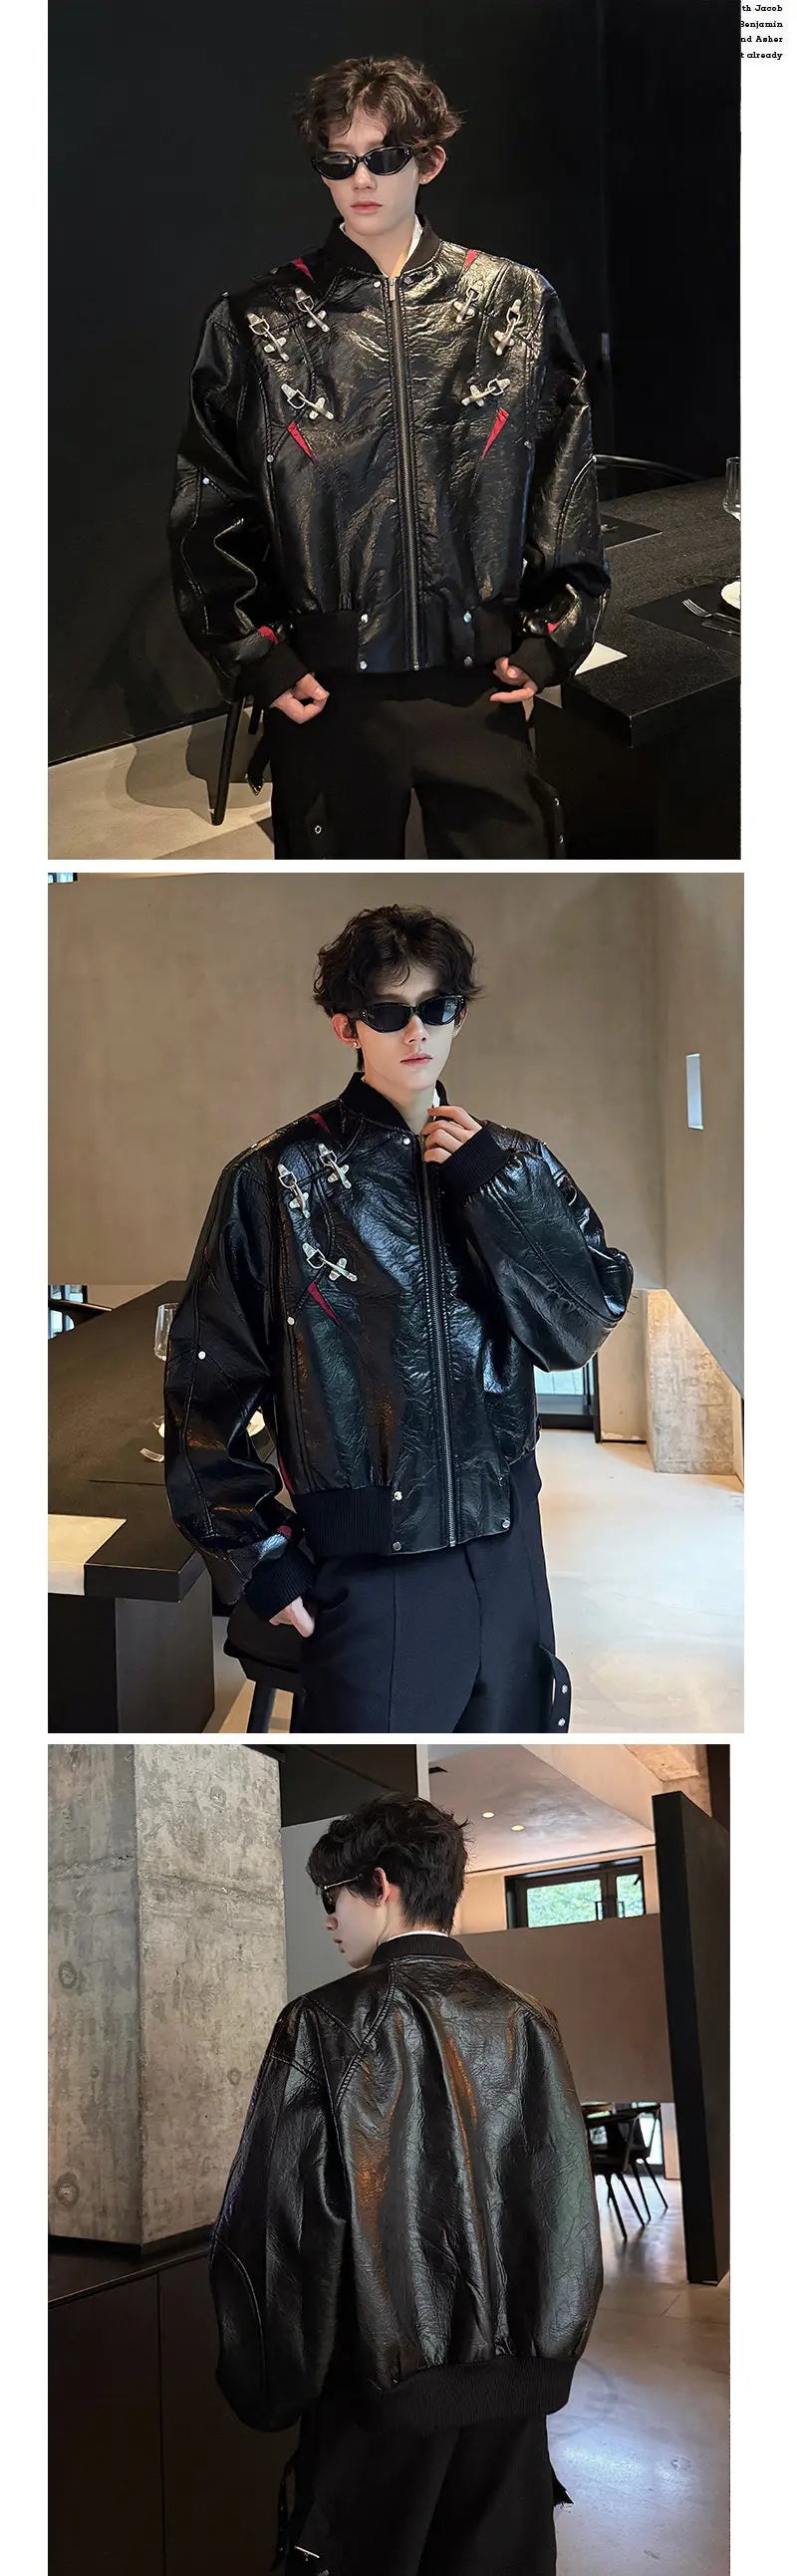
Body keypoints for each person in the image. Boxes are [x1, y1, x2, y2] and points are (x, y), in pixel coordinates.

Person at [163, 902, 633, 1731]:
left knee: (509, 1736)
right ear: (348, 1026)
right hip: (370, 1568)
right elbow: (206, 1384)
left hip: (508, 1545)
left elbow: (577, 1330)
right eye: (389, 1012)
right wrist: (261, 1558)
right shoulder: (277, 1181)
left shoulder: (514, 1163)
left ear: (458, 1016)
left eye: (436, 1008)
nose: (417, 1031)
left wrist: (494, 1193)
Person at [168, 53, 609, 860]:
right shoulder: (257, 321)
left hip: (480, 680)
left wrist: (554, 637)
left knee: (506, 885)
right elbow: (210, 504)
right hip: (329, 690)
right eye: (337, 162)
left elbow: (564, 478)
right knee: (337, 890)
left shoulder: (511, 301)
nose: (360, 180)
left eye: (383, 156)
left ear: (428, 161)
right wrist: (259, 655)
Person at [209, 1792, 602, 2576]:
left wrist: (269, 2385)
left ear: (381, 1886)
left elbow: (280, 2235)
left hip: (377, 2407)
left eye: (333, 1897)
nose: (330, 1920)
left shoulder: (323, 2024)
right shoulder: (529, 2019)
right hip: (519, 2408)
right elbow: (565, 2208)